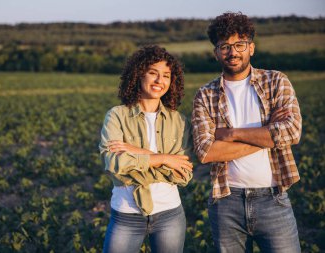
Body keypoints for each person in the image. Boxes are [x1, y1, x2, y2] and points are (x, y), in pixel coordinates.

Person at [191, 12, 302, 253]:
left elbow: (292, 132)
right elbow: (205, 152)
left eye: (239, 44)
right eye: (225, 46)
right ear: (216, 52)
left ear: (251, 48)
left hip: (273, 198)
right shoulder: (205, 94)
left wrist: (229, 135)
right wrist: (268, 134)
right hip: (226, 201)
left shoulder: (276, 82)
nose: (233, 52)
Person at [99, 45, 193, 253]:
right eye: (153, 73)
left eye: (166, 76)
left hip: (170, 214)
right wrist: (167, 159)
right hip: (126, 215)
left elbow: (183, 174)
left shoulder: (179, 121)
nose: (160, 81)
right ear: (138, 75)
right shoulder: (117, 116)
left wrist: (137, 152)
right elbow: (114, 164)